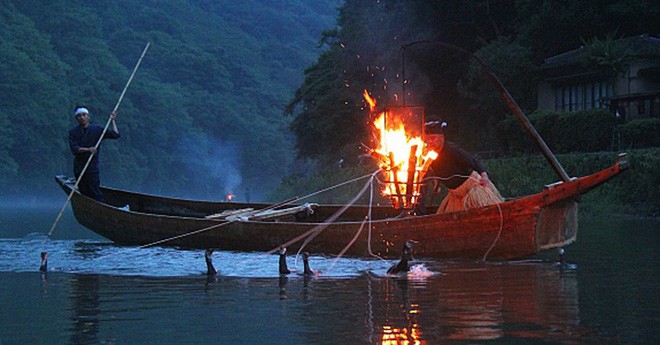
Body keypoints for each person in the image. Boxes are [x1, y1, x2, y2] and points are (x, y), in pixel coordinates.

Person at [421, 120, 502, 214]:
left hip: (472, 189)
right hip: (456, 194)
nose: (430, 142)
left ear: (442, 138)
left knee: (484, 214)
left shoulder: (452, 150)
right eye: (428, 139)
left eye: (433, 138)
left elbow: (474, 162)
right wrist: (435, 184)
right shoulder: (429, 155)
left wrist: (484, 176)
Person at [68, 105, 120, 202]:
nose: (82, 117)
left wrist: (113, 120)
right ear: (76, 118)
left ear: (88, 117)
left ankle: (102, 211)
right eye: (79, 116)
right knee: (84, 193)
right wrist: (88, 149)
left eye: (84, 115)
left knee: (95, 193)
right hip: (79, 168)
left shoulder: (97, 130)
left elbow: (115, 135)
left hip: (92, 167)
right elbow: (75, 149)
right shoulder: (73, 132)